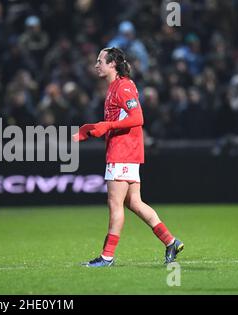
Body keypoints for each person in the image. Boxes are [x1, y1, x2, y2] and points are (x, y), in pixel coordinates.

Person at [73, 47, 184, 267]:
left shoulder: (122, 87)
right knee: (134, 202)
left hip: (122, 151)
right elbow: (119, 120)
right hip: (128, 151)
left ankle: (107, 257)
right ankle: (170, 241)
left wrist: (107, 126)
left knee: (115, 204)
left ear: (112, 64)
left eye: (100, 61)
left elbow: (138, 118)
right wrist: (92, 129)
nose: (96, 65)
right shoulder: (118, 86)